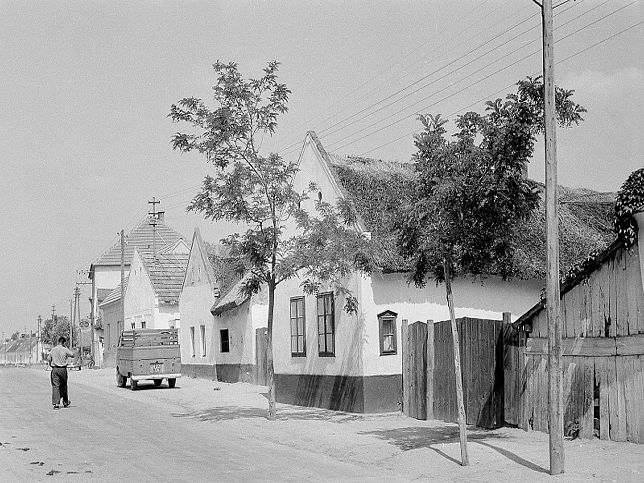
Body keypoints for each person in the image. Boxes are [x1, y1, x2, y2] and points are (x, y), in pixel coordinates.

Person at [48, 336, 75, 409]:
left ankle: (56, 404)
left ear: (58, 342)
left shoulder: (53, 350)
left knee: (55, 386)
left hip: (55, 369)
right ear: (64, 343)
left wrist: (51, 365)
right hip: (63, 370)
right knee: (64, 386)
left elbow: (49, 359)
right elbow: (72, 355)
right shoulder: (65, 349)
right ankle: (65, 402)